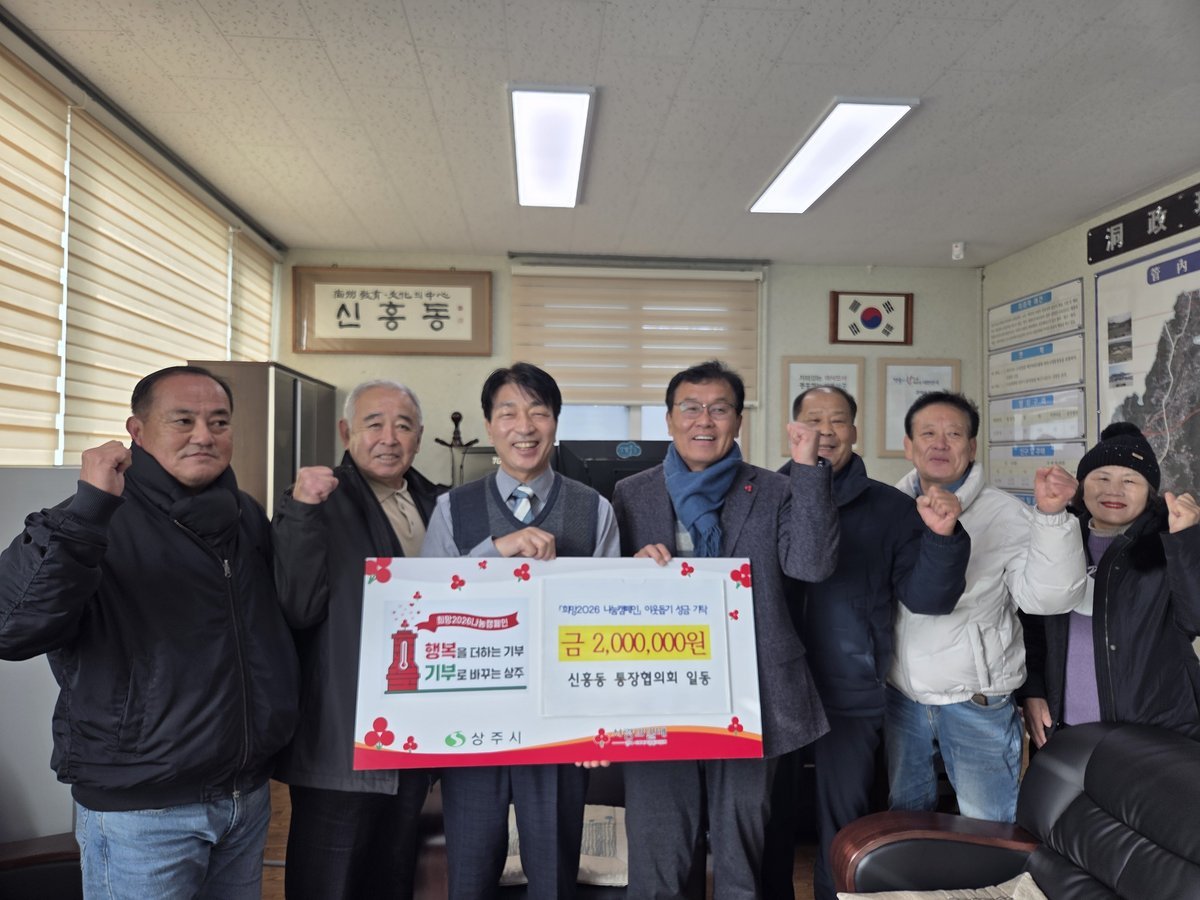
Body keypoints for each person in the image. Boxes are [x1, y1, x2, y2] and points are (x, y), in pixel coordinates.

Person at [0, 365, 300, 899]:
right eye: (182, 420)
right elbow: (11, 629)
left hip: (244, 796)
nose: (204, 435)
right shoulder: (91, 518)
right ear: (136, 432)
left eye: (219, 422)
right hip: (141, 812)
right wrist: (89, 509)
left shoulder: (245, 515)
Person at [611, 359, 838, 899]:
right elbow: (602, 597)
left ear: (738, 420)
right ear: (669, 418)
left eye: (719, 409)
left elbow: (812, 565)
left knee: (741, 856)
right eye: (690, 408)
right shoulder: (631, 493)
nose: (704, 421)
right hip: (657, 692)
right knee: (658, 852)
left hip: (751, 690)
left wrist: (807, 469)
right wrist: (629, 572)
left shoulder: (775, 489)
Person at [762, 386, 972, 900]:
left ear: (855, 432)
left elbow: (928, 599)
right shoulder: (764, 496)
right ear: (794, 432)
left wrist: (943, 538)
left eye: (838, 420)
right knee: (767, 817)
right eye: (813, 420)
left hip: (850, 689)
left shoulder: (890, 507)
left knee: (846, 825)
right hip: (772, 688)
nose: (826, 431)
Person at [420, 362, 619, 900]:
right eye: (508, 413)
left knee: (553, 878)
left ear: (555, 422)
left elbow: (607, 621)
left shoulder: (594, 509)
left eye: (538, 412)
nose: (524, 427)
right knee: (469, 875)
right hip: (472, 720)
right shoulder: (452, 509)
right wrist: (495, 550)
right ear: (489, 425)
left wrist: (596, 720)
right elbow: (426, 606)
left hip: (557, 722)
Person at [272, 380, 446, 899]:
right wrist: (302, 511)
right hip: (340, 744)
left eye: (403, 425)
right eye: (374, 424)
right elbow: (296, 606)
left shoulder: (438, 504)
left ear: (419, 437)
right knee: (327, 885)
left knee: (392, 880)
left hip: (412, 739)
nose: (389, 437)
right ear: (346, 432)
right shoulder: (316, 501)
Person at [887, 391, 1085, 824]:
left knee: (988, 827)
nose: (940, 444)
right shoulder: (890, 507)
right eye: (928, 433)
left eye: (954, 434)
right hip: (901, 698)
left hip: (976, 700)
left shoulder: (1005, 514)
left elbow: (1047, 598)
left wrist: (1052, 517)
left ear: (972, 446)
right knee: (905, 823)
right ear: (908, 445)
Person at [1021, 423, 1200, 747]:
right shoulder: (1056, 538)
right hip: (1064, 730)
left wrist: (1186, 541)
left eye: (1130, 480)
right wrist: (1032, 690)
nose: (1114, 490)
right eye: (1102, 478)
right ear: (1081, 487)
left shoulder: (1169, 543)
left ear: (1150, 492)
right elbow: (1032, 626)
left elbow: (1196, 618)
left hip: (1155, 736)